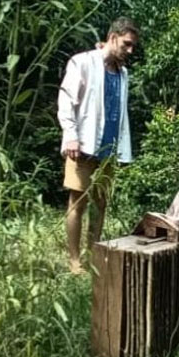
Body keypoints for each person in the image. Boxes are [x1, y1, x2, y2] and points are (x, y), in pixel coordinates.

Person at [57, 18, 139, 273]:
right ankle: (74, 261)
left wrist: (122, 150)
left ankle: (93, 255)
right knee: (77, 202)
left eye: (132, 46)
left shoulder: (123, 73)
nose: (130, 51)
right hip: (82, 145)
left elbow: (119, 113)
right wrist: (71, 135)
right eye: (126, 44)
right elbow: (66, 99)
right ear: (112, 37)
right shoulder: (82, 62)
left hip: (108, 149)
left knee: (100, 203)